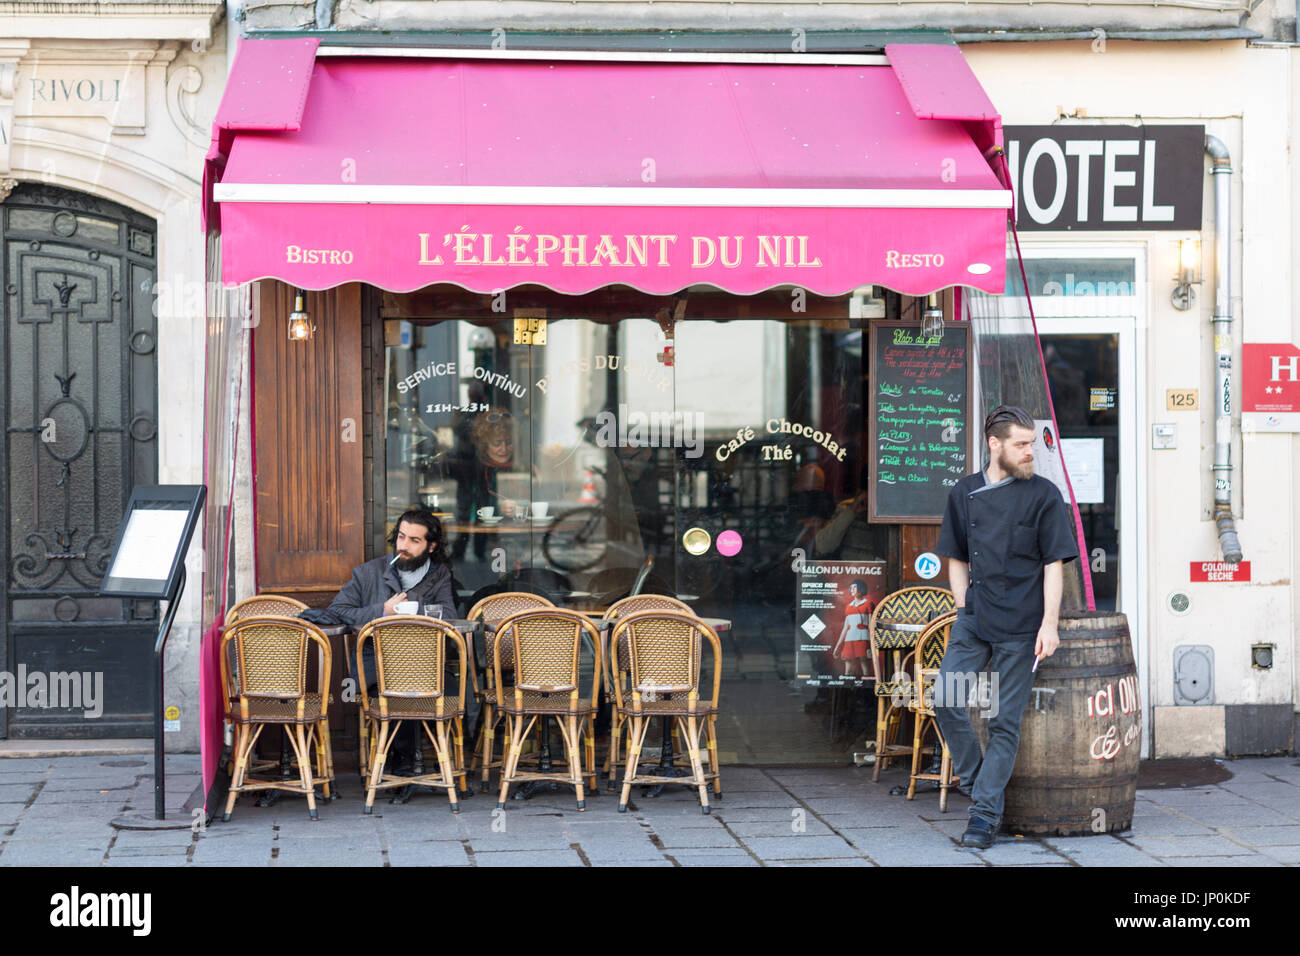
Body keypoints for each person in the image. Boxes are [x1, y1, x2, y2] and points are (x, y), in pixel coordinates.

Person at [933, 405, 1079, 849]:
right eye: (1021, 444)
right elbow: (956, 556)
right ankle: (980, 780)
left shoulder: (1043, 495)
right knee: (946, 699)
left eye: (1031, 444)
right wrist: (964, 608)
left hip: (1021, 624)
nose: (1029, 451)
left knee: (1003, 722)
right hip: (975, 619)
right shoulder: (964, 492)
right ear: (994, 444)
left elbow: (1055, 564)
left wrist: (1049, 625)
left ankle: (983, 817)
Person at [328, 508, 457, 773]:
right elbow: (337, 611)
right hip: (377, 668)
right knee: (398, 688)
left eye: (414, 540)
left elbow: (451, 615)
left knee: (455, 689)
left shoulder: (439, 575)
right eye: (401, 537)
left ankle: (425, 763)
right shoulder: (367, 573)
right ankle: (405, 766)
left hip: (427, 669)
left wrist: (414, 605)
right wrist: (382, 612)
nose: (404, 546)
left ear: (431, 546)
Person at [831, 578, 875, 678]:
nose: (852, 590)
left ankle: (866, 688)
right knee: (848, 663)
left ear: (861, 589)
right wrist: (838, 645)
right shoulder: (848, 607)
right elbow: (845, 628)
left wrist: (873, 643)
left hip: (863, 638)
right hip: (849, 638)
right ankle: (847, 688)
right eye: (851, 588)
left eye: (854, 587)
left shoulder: (868, 604)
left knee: (864, 662)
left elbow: (871, 625)